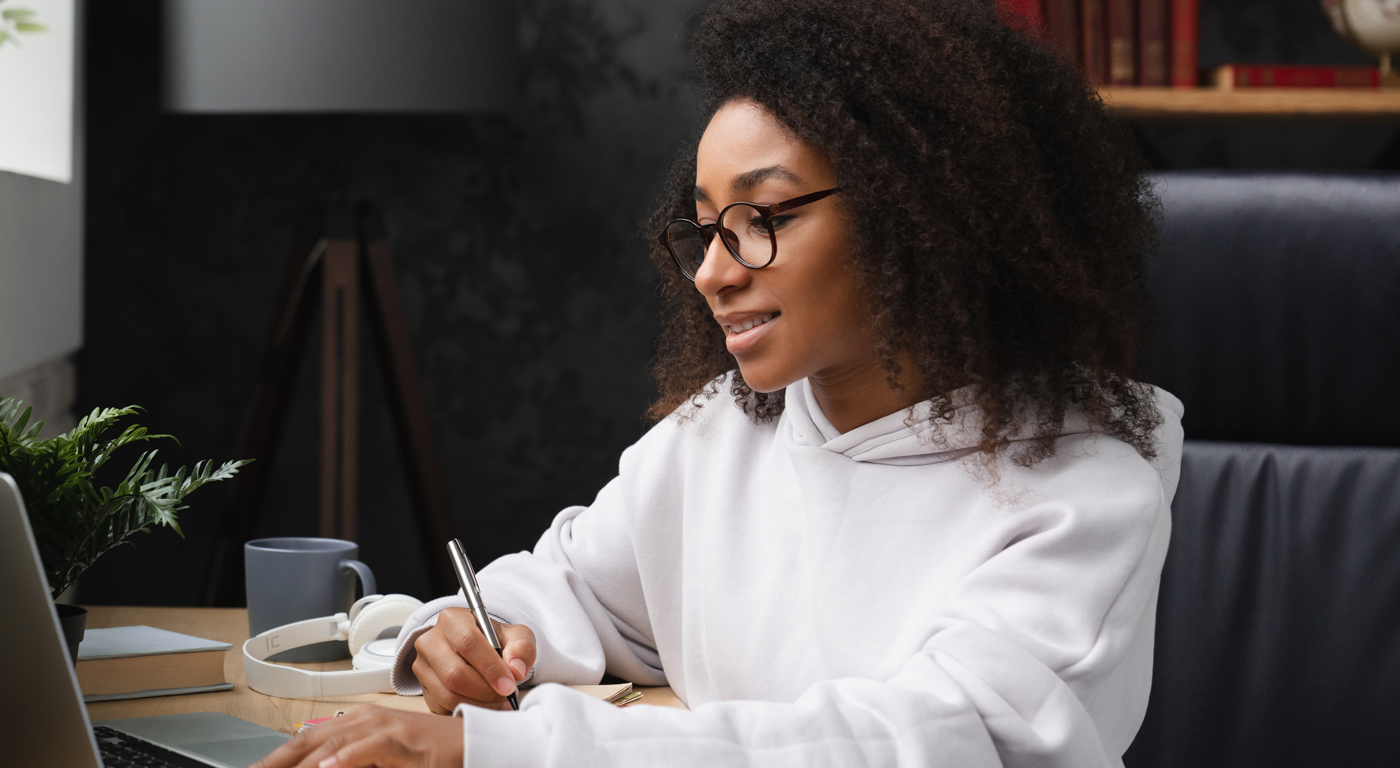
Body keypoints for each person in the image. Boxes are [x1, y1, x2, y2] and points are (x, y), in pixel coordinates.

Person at [257, 0, 1180, 765]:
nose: (713, 272)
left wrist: (506, 753)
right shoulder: (726, 433)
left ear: (921, 215)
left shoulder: (1080, 494)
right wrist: (462, 631)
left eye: (763, 217)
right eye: (705, 228)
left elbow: (923, 742)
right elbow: (574, 587)